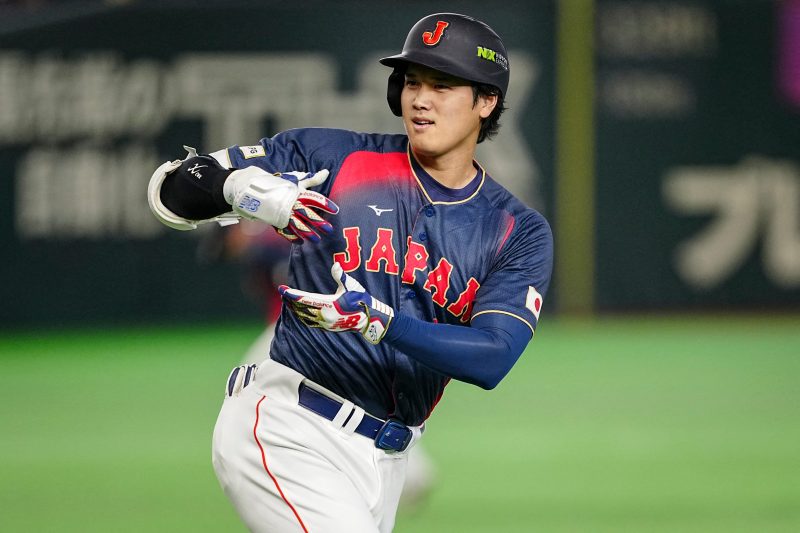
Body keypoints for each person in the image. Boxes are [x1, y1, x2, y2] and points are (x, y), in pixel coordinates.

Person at [147, 12, 553, 533]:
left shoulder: (515, 230)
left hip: (387, 461)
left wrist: (380, 322)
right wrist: (241, 191)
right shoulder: (334, 158)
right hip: (290, 427)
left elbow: (493, 357)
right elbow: (172, 188)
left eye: (442, 85)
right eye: (412, 82)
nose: (420, 99)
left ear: (487, 101)